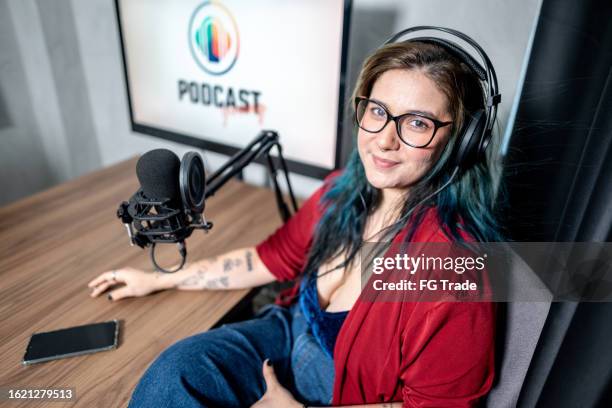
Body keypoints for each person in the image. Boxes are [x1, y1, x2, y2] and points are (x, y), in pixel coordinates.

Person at [88, 34, 503, 407]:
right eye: (377, 111)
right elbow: (269, 259)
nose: (384, 139)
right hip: (287, 332)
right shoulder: (341, 191)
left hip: (343, 392)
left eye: (417, 123)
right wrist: (159, 279)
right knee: (173, 374)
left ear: (462, 141)